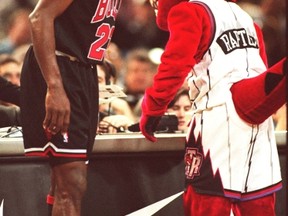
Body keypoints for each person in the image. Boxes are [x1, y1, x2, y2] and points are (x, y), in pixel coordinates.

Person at [139, 0, 287, 215]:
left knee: (207, 202)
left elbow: (174, 65)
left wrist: (152, 109)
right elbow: (262, 70)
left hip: (217, 115)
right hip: (258, 124)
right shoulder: (244, 16)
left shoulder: (190, 11)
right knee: (258, 203)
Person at [20, 1, 121, 216]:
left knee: (63, 180)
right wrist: (54, 87)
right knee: (71, 182)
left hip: (85, 69)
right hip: (59, 67)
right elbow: (38, 18)